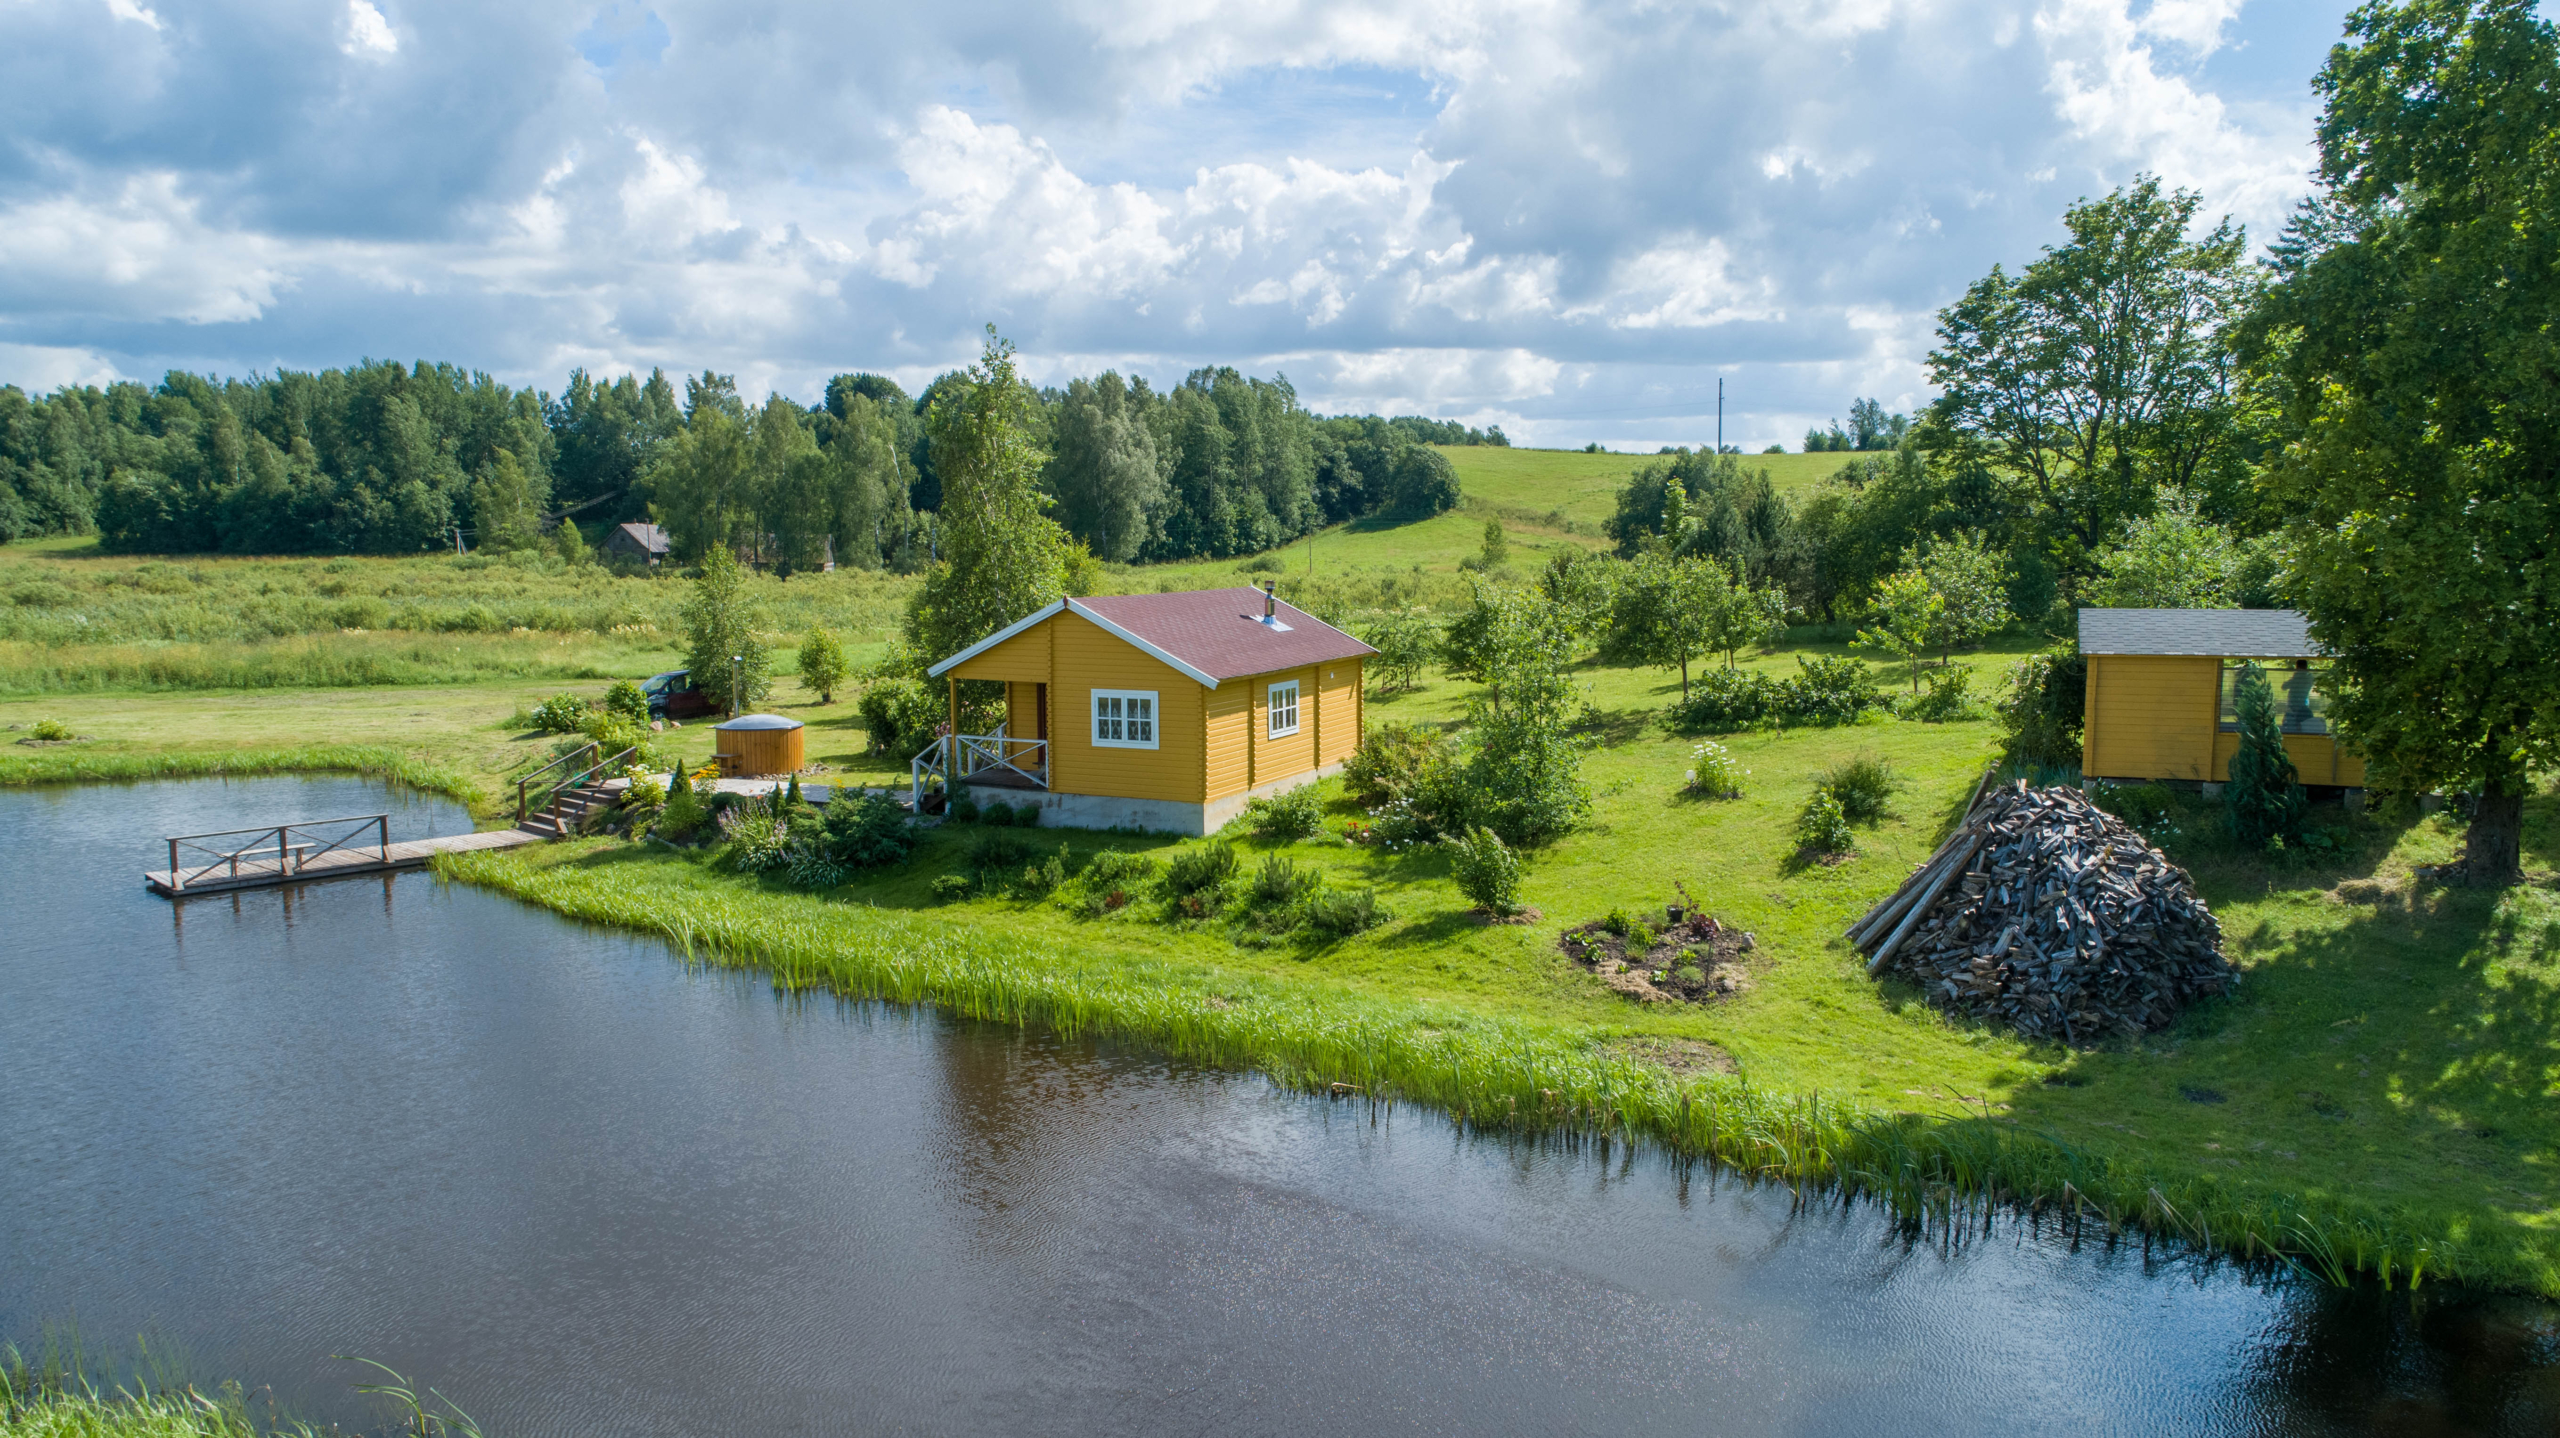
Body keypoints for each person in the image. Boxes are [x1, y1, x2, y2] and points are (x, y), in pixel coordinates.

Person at [2283, 659, 2319, 733]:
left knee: (2290, 725)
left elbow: (2284, 686)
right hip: (2304, 703)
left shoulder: (2298, 677)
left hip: (2294, 704)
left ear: (2297, 667)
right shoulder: (2309, 677)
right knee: (2306, 724)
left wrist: (2294, 677)